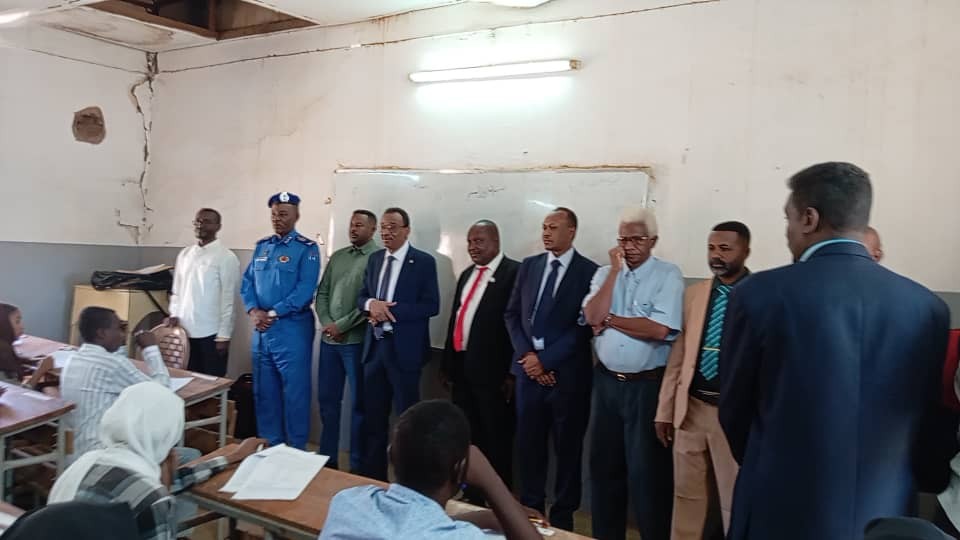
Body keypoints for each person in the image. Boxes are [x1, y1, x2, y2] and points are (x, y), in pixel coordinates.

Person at [719, 162, 954, 540]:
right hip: (885, 508)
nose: (788, 232)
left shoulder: (758, 294)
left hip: (780, 502)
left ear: (809, 218)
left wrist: (773, 460)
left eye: (788, 219)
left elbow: (735, 411)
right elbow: (926, 419)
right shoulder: (927, 307)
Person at [50, 382, 264, 540]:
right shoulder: (151, 498)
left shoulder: (85, 463)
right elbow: (148, 492)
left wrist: (231, 457)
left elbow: (170, 481)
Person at [582, 207, 683, 540]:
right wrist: (614, 272)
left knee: (647, 474)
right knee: (603, 468)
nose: (629, 246)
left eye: (637, 239)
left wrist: (610, 320)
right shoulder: (604, 274)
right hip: (607, 383)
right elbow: (591, 315)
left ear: (653, 240)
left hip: (646, 387)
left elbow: (658, 329)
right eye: (624, 239)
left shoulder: (668, 275)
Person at [320, 400, 541, 540]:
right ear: (460, 469)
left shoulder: (348, 502)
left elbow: (411, 529)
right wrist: (491, 482)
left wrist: (483, 517)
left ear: (390, 455)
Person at [655, 221, 751, 540]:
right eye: (711, 248)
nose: (716, 256)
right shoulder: (694, 294)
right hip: (691, 408)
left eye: (725, 249)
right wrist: (665, 410)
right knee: (687, 496)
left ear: (745, 251)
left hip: (733, 414)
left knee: (734, 499)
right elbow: (679, 355)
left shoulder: (759, 295)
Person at [504, 207, 598, 531]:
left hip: (567, 378)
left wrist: (547, 361)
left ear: (571, 231)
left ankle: (562, 520)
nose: (546, 233)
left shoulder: (590, 272)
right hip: (529, 376)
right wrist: (530, 358)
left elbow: (583, 327)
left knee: (568, 451)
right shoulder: (530, 266)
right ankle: (532, 514)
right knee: (529, 447)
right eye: (544, 226)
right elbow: (512, 315)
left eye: (553, 227)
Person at [356, 207, 439, 481]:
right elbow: (362, 297)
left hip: (405, 352)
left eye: (393, 227)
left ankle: (408, 481)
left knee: (407, 422)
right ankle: (372, 478)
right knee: (373, 419)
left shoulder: (423, 262)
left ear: (407, 230)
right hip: (375, 349)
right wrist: (371, 305)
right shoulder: (375, 259)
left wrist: (390, 311)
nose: (386, 232)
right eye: (383, 227)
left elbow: (432, 305)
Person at [440, 220, 520, 504]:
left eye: (479, 241)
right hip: (463, 370)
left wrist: (511, 373)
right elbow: (456, 319)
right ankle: (472, 494)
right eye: (470, 242)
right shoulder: (466, 274)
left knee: (496, 437)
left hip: (495, 375)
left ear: (496, 242)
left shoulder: (514, 273)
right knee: (468, 435)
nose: (473, 247)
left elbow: (517, 326)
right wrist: (447, 364)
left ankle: (499, 498)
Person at [241, 191, 321, 449]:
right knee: (264, 392)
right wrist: (253, 311)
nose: (277, 219)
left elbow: (305, 289)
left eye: (283, 214)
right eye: (274, 214)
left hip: (291, 329)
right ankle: (270, 447)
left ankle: (295, 450)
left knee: (295, 393)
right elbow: (247, 283)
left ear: (296, 216)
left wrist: (272, 313)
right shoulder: (262, 246)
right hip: (262, 331)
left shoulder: (307, 249)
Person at [61, 306, 170, 460]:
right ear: (101, 333)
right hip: (103, 456)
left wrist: (121, 344)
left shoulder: (72, 359)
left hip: (74, 455)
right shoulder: (113, 365)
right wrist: (150, 349)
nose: (123, 334)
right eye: (119, 328)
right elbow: (163, 393)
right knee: (185, 454)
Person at [315, 209, 378, 471]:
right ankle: (327, 459)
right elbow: (322, 293)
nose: (353, 229)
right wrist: (328, 323)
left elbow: (370, 302)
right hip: (329, 342)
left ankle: (356, 464)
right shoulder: (339, 256)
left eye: (360, 225)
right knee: (328, 402)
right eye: (352, 224)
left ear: (373, 229)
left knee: (359, 406)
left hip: (356, 342)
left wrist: (341, 326)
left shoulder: (377, 258)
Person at [165, 208, 241, 376]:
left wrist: (224, 336)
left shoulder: (226, 257)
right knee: (186, 380)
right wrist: (174, 313)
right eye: (198, 221)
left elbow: (229, 299)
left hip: (211, 334)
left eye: (207, 221)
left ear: (218, 226)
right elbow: (176, 290)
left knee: (211, 383)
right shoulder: (185, 254)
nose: (200, 225)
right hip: (184, 332)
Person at [0, 303, 27, 382]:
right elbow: (16, 387)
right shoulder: (3, 351)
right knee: (49, 388)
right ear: (4, 323)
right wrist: (41, 371)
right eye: (17, 322)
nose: (22, 327)